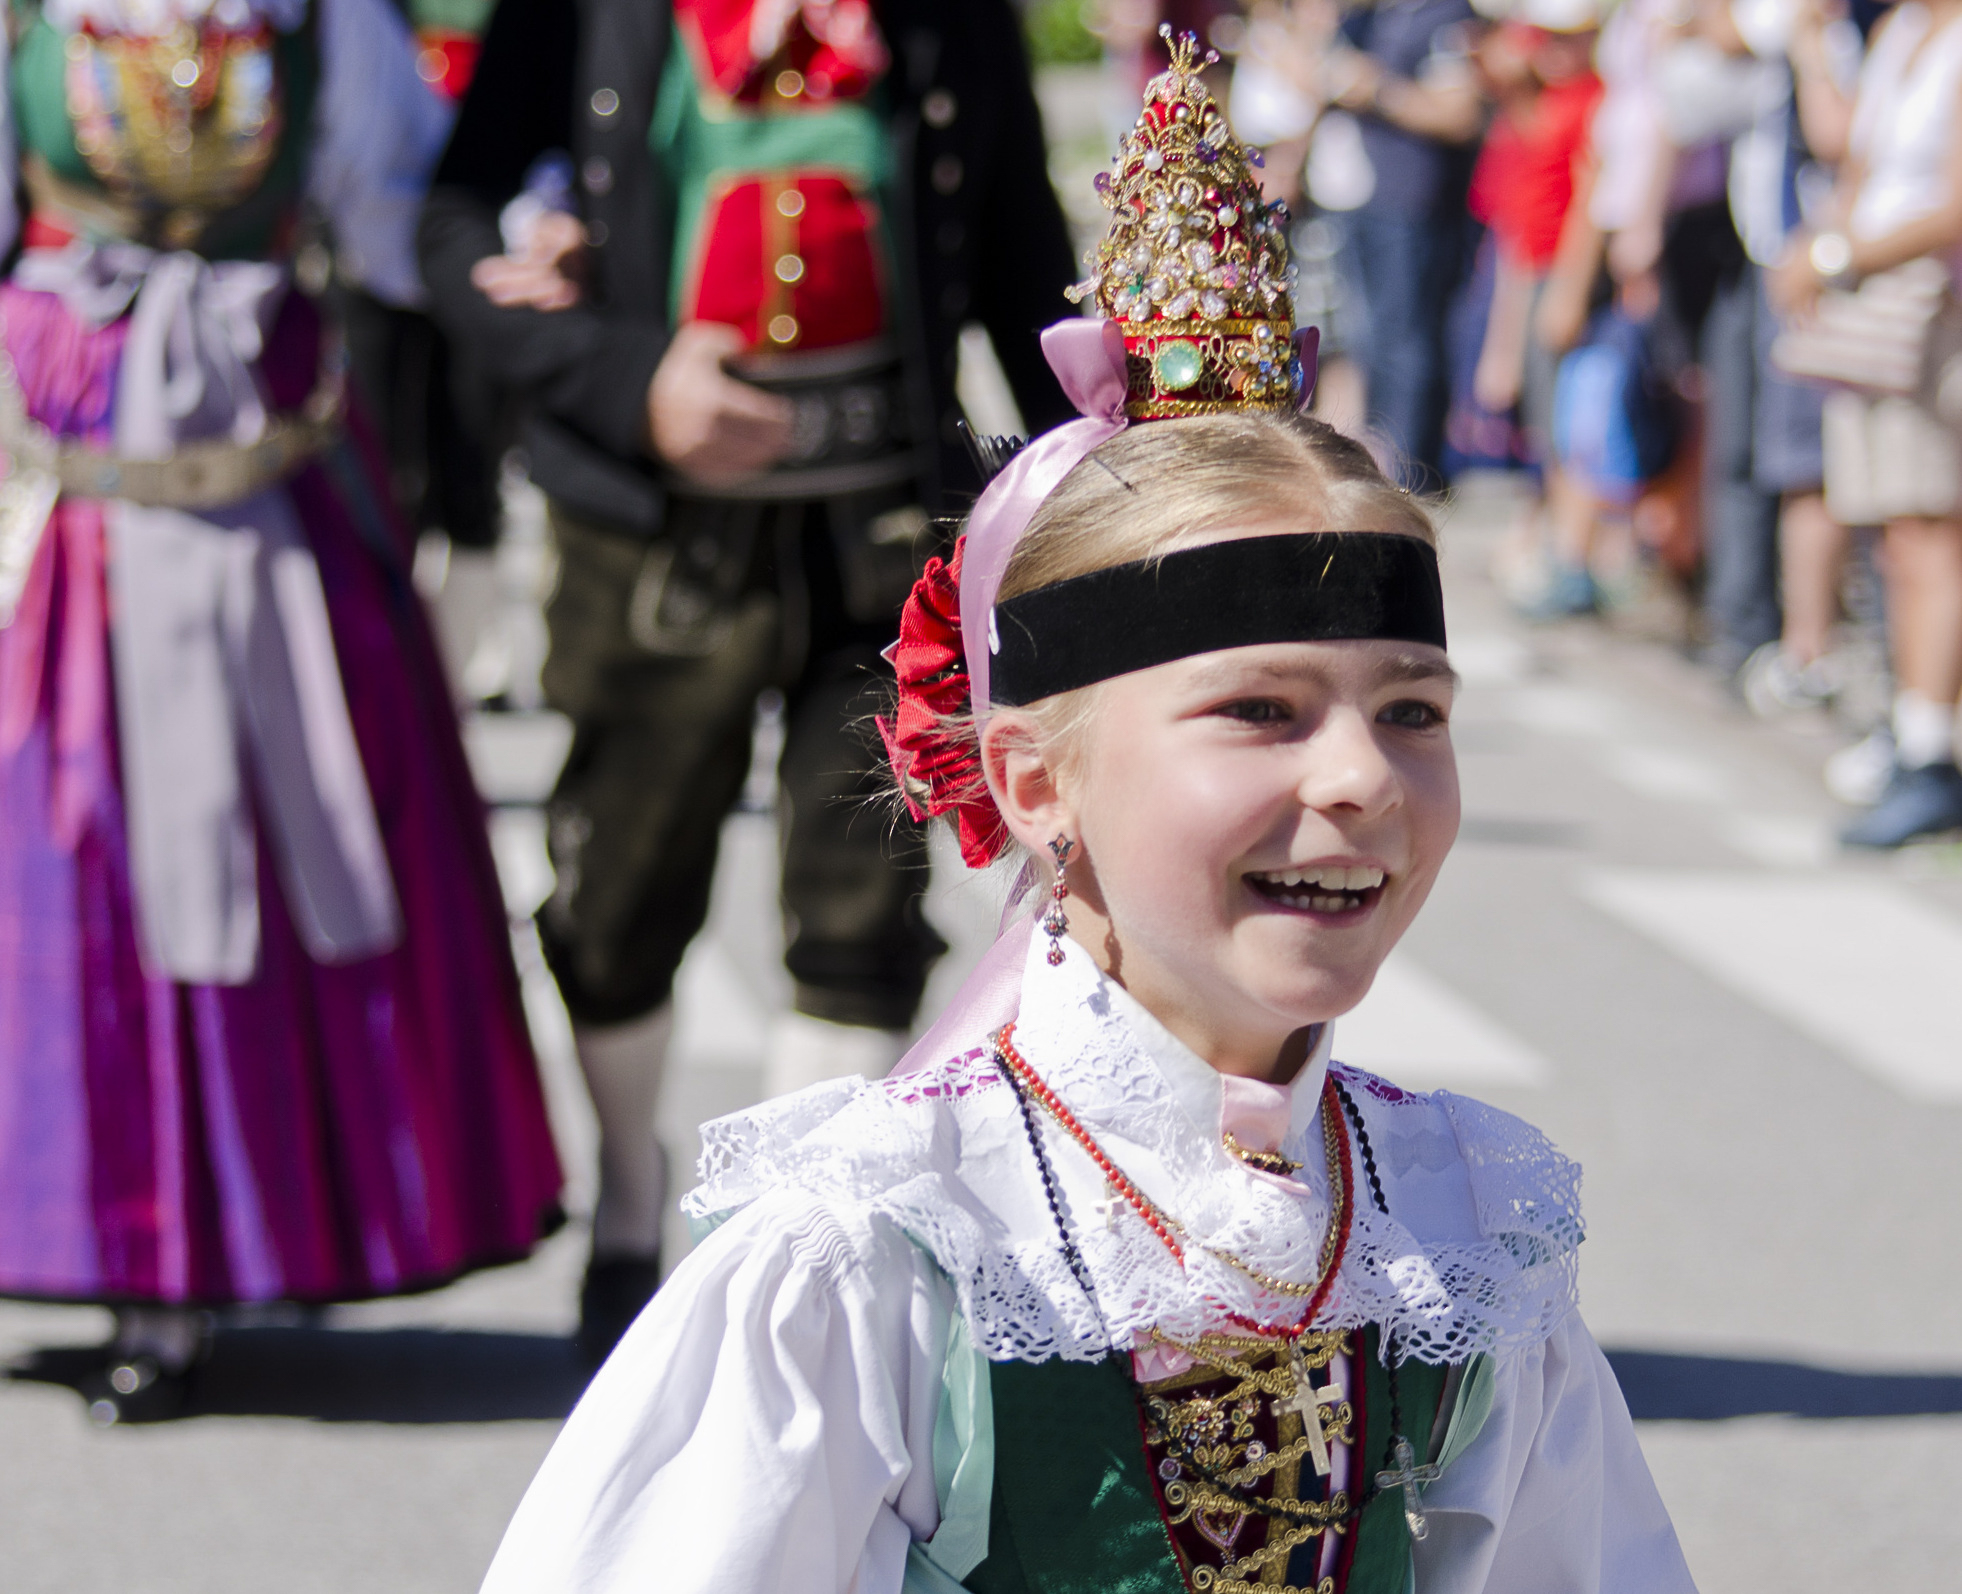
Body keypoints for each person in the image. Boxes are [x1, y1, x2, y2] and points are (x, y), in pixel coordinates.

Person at [473, 40, 1696, 1594]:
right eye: (1259, 709)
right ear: (1037, 780)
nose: (1360, 779)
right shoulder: (875, 1257)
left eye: (1412, 709)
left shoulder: (1462, 1233)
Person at [418, 0, 1079, 1359]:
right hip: (653, 533)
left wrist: (1101, 500)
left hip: (882, 537)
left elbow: (1020, 252)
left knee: (860, 912)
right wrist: (627, 377)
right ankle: (626, 1196)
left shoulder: (946, 20)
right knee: (614, 902)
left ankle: (784, 1256)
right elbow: (453, 228)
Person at [0, 0, 564, 1422]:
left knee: (281, 807)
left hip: (269, 447)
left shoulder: (326, 22)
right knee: (63, 854)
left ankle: (213, 1247)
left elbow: (405, 212)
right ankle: (91, 1231)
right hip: (51, 457)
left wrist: (542, 256)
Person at [1773, 0, 1962, 845]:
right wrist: (1814, 47)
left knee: (1934, 536)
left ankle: (1930, 756)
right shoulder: (1902, 33)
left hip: (1936, 313)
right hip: (1881, 316)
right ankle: (1915, 726)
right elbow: (1848, 153)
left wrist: (1836, 258)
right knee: (1898, 538)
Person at [1324, 0, 1484, 486]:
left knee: (1405, 346)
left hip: (1411, 204)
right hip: (1365, 199)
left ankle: (1410, 478)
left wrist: (1375, 89)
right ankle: (1386, 470)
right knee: (1370, 342)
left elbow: (1459, 114)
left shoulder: (1446, 15)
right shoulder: (1373, 15)